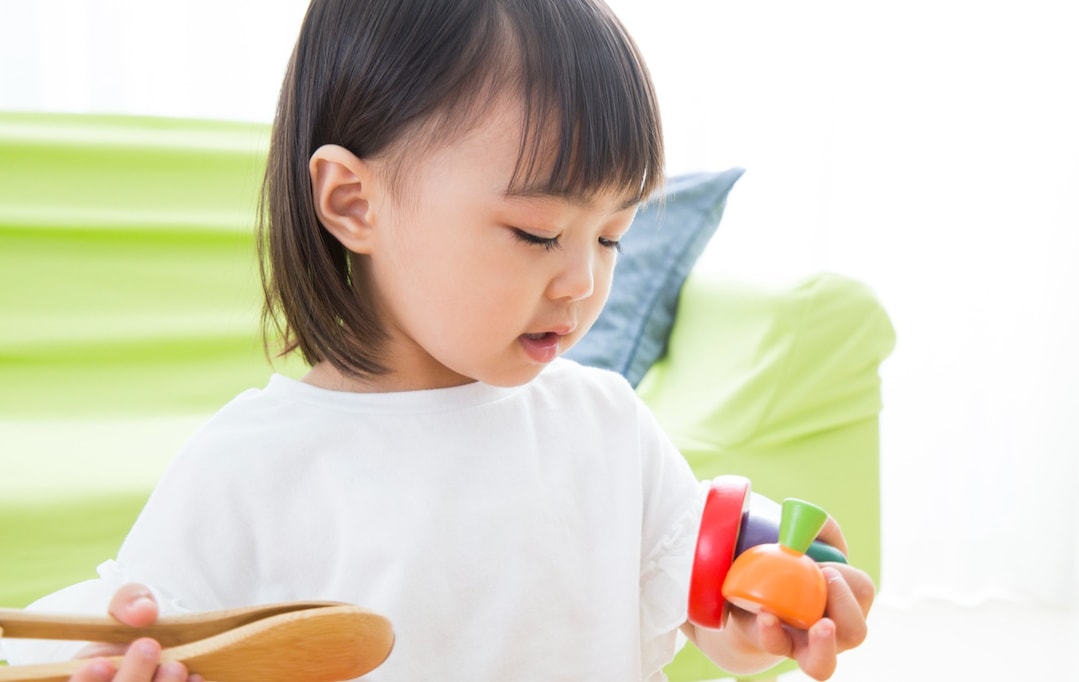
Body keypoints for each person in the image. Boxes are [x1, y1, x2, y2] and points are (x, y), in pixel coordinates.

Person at [0, 0, 875, 680]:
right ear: (353, 203)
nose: (581, 280)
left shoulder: (607, 426)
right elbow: (133, 631)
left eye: (610, 235)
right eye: (536, 234)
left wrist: (766, 612)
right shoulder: (250, 468)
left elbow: (704, 619)